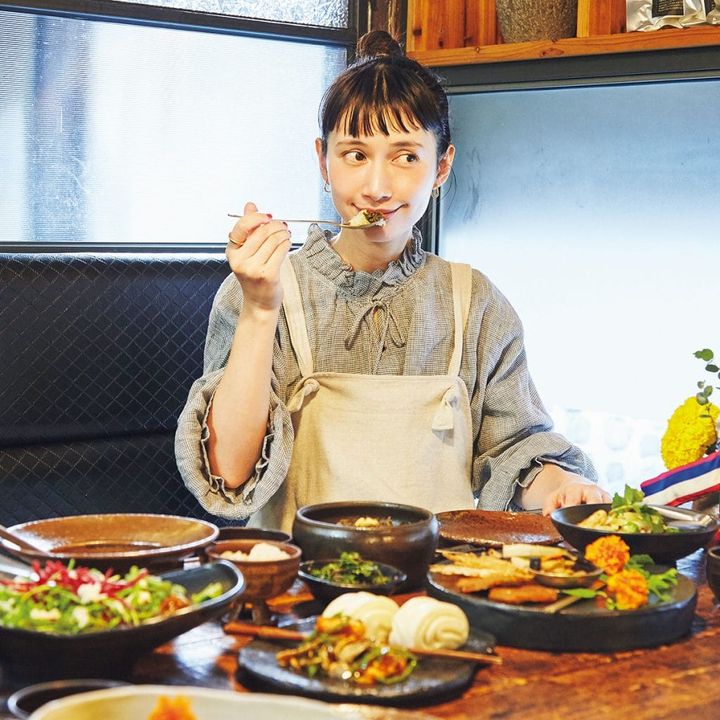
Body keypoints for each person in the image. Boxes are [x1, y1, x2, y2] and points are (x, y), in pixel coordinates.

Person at [175, 30, 609, 532]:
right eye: (355, 155)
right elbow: (229, 475)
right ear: (322, 161)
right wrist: (259, 309)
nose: (377, 188)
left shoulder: (475, 302)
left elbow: (517, 450)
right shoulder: (259, 289)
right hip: (299, 575)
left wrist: (562, 487)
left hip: (438, 575)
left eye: (406, 156)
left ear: (441, 166)